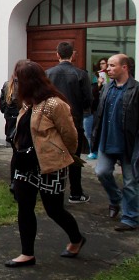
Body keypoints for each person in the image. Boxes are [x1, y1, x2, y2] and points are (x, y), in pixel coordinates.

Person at [5, 60, 85, 268]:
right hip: (26, 165)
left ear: (29, 81)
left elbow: (70, 135)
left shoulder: (54, 104)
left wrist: (63, 155)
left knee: (54, 210)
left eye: (18, 79)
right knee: (24, 207)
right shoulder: (27, 103)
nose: (15, 82)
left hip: (50, 166)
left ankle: (76, 238)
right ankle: (27, 254)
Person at [91, 54, 139, 232]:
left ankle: (130, 218)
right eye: (108, 66)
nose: (107, 69)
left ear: (124, 67)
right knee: (101, 172)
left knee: (130, 182)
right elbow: (98, 111)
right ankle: (115, 199)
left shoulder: (136, 89)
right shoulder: (107, 88)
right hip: (107, 139)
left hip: (128, 143)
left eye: (112, 66)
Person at [45, 42, 92, 205]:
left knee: (54, 157)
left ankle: (53, 191)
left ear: (57, 54)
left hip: (53, 122)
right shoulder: (81, 74)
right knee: (74, 159)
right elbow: (88, 100)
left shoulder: (48, 74)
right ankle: (76, 193)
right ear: (72, 54)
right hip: (74, 121)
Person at [0, 63, 22, 192]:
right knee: (22, 153)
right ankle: (18, 182)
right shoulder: (25, 85)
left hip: (10, 122)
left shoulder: (7, 85)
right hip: (19, 122)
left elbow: (2, 106)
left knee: (15, 153)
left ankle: (13, 181)